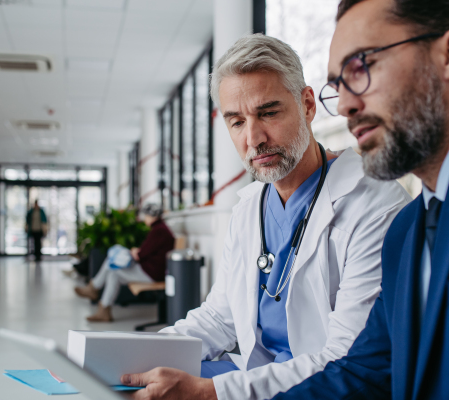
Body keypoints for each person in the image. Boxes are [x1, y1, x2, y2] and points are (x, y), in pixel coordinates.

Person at [119, 34, 411, 400]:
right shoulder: (249, 208)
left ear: (307, 105)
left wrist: (212, 393)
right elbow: (219, 317)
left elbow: (348, 359)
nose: (253, 139)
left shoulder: (374, 204)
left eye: (268, 113)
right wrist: (119, 356)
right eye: (236, 122)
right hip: (253, 378)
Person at [272, 0, 449, 399]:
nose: (344, 106)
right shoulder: (407, 230)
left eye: (362, 66)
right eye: (337, 85)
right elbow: (365, 373)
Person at [75, 203, 175, 322]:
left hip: (152, 273)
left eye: (145, 215)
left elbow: (141, 255)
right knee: (113, 273)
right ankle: (103, 308)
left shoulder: (158, 231)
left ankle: (94, 288)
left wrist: (134, 252)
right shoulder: (161, 229)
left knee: (111, 263)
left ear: (152, 216)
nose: (143, 219)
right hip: (152, 270)